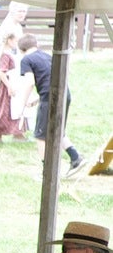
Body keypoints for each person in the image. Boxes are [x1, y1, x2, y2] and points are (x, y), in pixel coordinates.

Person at [18, 32, 81, 173]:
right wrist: (39, 98)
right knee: (58, 130)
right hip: (65, 93)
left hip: (50, 97)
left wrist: (22, 105)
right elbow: (58, 75)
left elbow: (29, 83)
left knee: (41, 136)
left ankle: (47, 171)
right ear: (37, 45)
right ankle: (76, 158)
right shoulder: (48, 56)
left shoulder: (26, 60)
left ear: (21, 50)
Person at [0, 24, 28, 141]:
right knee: (3, 110)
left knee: (12, 110)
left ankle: (15, 134)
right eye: (16, 40)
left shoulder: (9, 54)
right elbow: (1, 72)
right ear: (9, 40)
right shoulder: (5, 55)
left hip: (12, 84)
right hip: (6, 86)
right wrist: (9, 86)